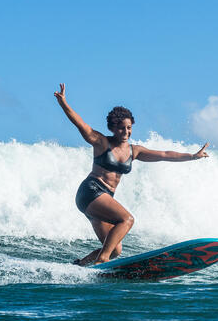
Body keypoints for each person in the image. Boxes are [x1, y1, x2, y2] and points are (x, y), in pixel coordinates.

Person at [54, 83, 209, 266]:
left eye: (129, 128)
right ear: (112, 128)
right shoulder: (102, 143)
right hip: (91, 191)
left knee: (114, 250)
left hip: (102, 198)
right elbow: (81, 124)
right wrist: (63, 102)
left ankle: (79, 266)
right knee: (126, 219)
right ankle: (101, 260)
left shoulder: (134, 151)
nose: (125, 132)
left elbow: (165, 155)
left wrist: (192, 156)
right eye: (121, 128)